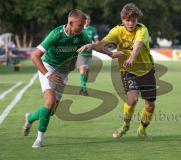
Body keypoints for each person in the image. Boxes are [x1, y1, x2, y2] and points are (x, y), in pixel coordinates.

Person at [23, 9, 123, 148]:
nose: (83, 28)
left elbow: (94, 47)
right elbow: (35, 56)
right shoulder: (55, 34)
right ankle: (39, 139)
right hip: (49, 68)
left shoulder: (81, 36)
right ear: (70, 23)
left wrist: (110, 54)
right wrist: (47, 74)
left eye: (83, 25)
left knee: (51, 112)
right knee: (50, 101)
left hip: (63, 73)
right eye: (80, 25)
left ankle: (30, 118)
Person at [78, 3, 156, 139]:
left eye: (134, 20)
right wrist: (93, 46)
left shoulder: (142, 30)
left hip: (146, 70)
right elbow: (101, 44)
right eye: (128, 20)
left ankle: (142, 130)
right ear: (122, 19)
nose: (131, 23)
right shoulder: (117, 31)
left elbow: (137, 46)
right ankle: (125, 127)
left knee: (149, 106)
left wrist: (131, 57)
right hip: (127, 70)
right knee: (132, 100)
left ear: (137, 19)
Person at [77, 14, 99, 95]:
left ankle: (82, 88)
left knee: (87, 72)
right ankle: (84, 90)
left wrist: (94, 45)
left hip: (89, 54)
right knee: (83, 70)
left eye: (88, 19)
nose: (87, 21)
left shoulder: (92, 29)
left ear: (90, 20)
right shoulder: (79, 29)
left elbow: (97, 41)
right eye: (85, 19)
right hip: (81, 54)